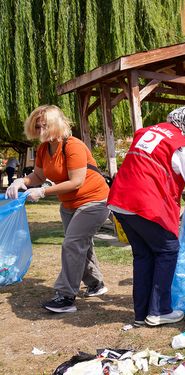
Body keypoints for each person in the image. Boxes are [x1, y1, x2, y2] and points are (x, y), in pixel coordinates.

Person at [107, 107, 185, 327]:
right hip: (145, 203)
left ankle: (141, 313)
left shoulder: (145, 133)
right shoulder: (180, 144)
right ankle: (159, 311)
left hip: (120, 200)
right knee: (167, 249)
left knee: (143, 255)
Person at [6, 105, 110, 313]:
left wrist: (43, 192)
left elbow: (76, 182)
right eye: (37, 125)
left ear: (56, 124)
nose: (40, 130)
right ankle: (96, 284)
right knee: (81, 244)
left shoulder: (73, 146)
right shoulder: (44, 149)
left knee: (72, 244)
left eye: (45, 125)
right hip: (69, 205)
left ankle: (65, 296)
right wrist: (21, 182)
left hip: (95, 201)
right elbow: (38, 176)